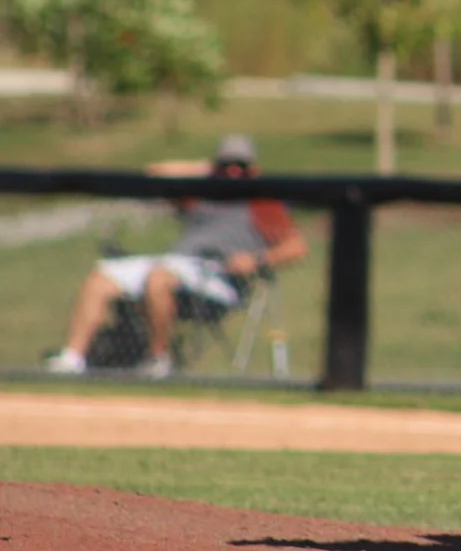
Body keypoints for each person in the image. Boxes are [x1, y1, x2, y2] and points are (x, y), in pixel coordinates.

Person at [43, 134, 307, 378]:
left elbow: (296, 247)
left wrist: (257, 260)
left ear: (253, 170)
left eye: (240, 167)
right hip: (178, 264)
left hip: (219, 276)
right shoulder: (200, 192)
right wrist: (205, 170)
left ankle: (158, 360)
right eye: (227, 165)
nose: (233, 173)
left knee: (159, 278)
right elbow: (154, 174)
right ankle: (73, 358)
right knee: (102, 276)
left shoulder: (263, 202)